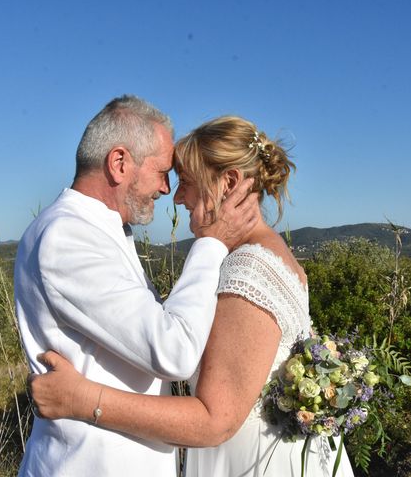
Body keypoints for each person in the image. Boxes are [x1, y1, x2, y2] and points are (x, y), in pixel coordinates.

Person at [29, 116, 356, 476]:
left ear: (228, 183)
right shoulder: (272, 255)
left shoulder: (248, 268)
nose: (176, 194)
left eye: (185, 180)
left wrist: (83, 400)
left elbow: (214, 419)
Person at [15, 96, 260, 476]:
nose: (167, 189)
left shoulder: (99, 229)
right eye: (162, 172)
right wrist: (212, 242)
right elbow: (174, 351)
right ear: (119, 163)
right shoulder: (67, 238)